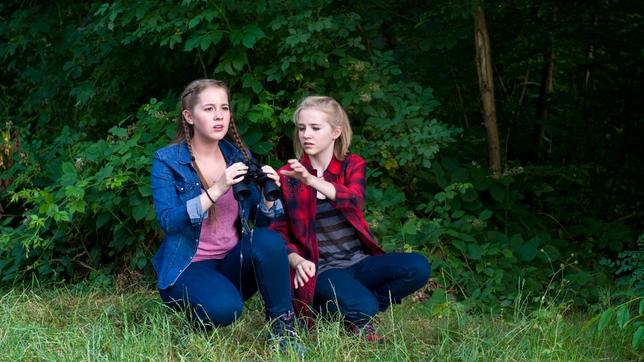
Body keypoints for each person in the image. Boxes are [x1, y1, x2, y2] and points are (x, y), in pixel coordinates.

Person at [150, 79, 300, 350]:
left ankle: (284, 329)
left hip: (232, 261)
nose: (219, 116)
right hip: (188, 266)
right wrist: (216, 189)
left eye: (224, 108)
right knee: (225, 310)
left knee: (268, 240)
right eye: (208, 109)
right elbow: (169, 221)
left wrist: (268, 197)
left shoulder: (236, 155)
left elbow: (261, 221)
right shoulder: (166, 160)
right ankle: (196, 321)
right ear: (189, 116)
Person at [271, 96, 431, 342]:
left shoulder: (351, 165)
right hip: (322, 269)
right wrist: (296, 261)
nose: (306, 135)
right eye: (302, 128)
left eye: (315, 128)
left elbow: (355, 201)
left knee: (417, 267)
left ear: (335, 132)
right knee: (363, 305)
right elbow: (277, 232)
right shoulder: (288, 174)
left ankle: (352, 314)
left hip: (358, 261)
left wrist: (313, 181)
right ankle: (354, 313)